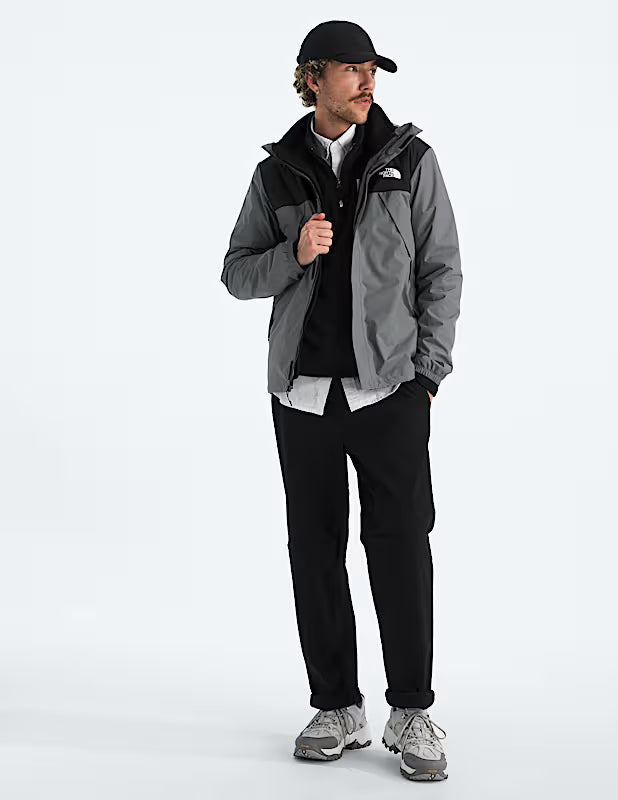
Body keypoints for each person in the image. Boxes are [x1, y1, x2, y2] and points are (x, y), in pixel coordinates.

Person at [220, 20, 462, 782]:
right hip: (301, 396)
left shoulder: (410, 162)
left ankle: (412, 710)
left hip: (389, 390)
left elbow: (442, 271)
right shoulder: (276, 174)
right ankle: (336, 706)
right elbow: (236, 272)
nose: (367, 83)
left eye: (372, 71)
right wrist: (293, 254)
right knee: (314, 550)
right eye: (352, 70)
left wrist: (426, 375)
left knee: (401, 547)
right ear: (312, 78)